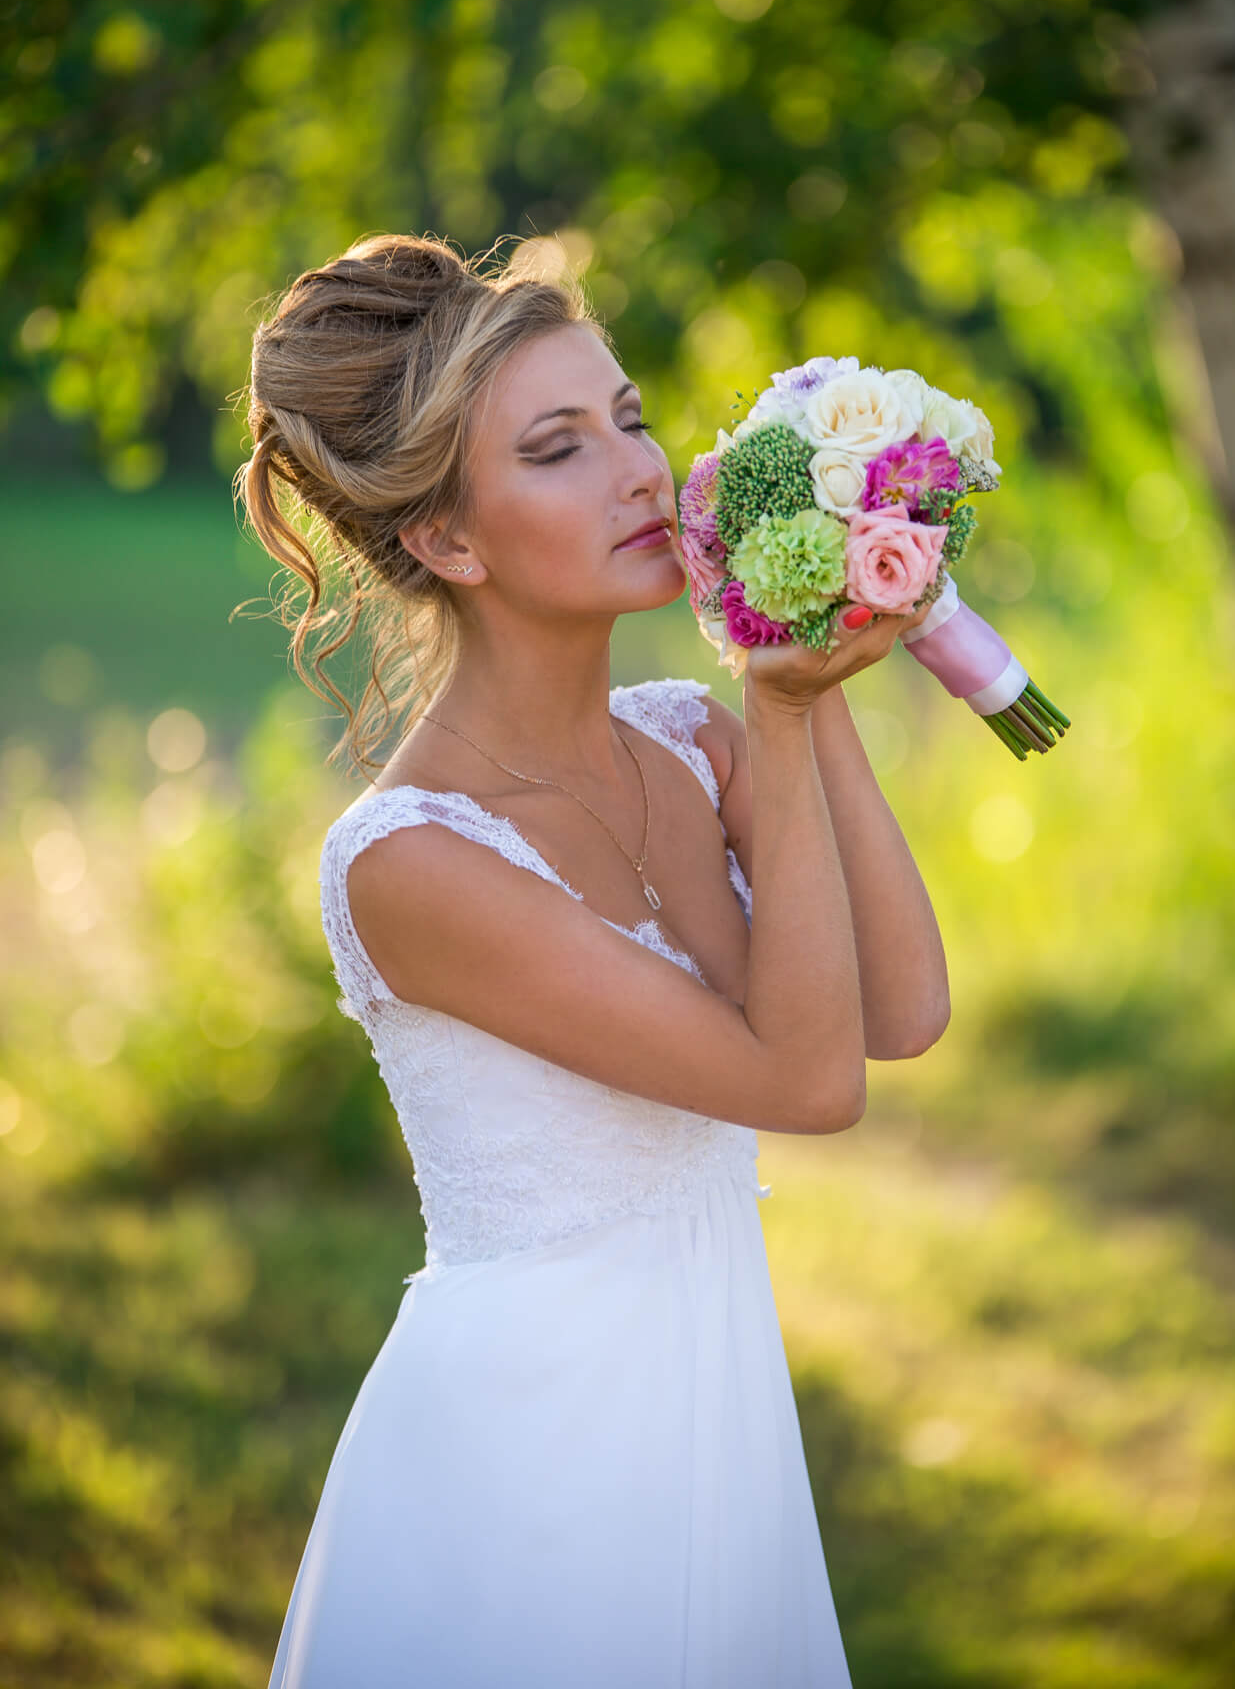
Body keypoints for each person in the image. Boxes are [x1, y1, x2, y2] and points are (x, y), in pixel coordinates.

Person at [234, 231, 950, 1687]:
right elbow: (806, 1086)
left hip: (712, 1401)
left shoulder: (692, 740)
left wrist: (805, 661)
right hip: (528, 1449)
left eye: (629, 417)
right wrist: (787, 709)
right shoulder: (412, 864)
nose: (640, 472)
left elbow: (905, 1013)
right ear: (445, 538)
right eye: (560, 449)